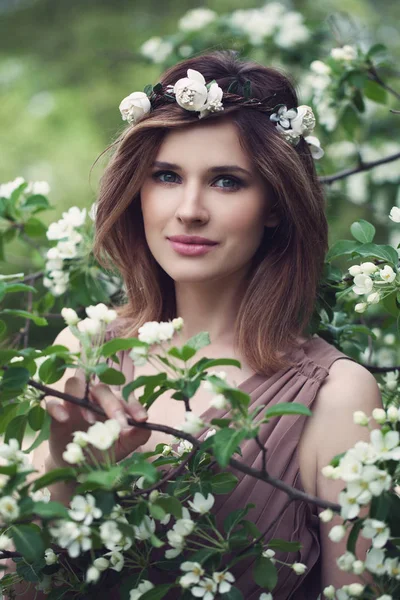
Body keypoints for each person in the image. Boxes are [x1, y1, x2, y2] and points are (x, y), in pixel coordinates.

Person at [20, 50, 381, 599]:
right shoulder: (86, 350)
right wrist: (67, 465)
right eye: (166, 176)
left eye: (226, 181)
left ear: (276, 204)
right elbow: (19, 585)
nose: (189, 209)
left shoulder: (335, 396)